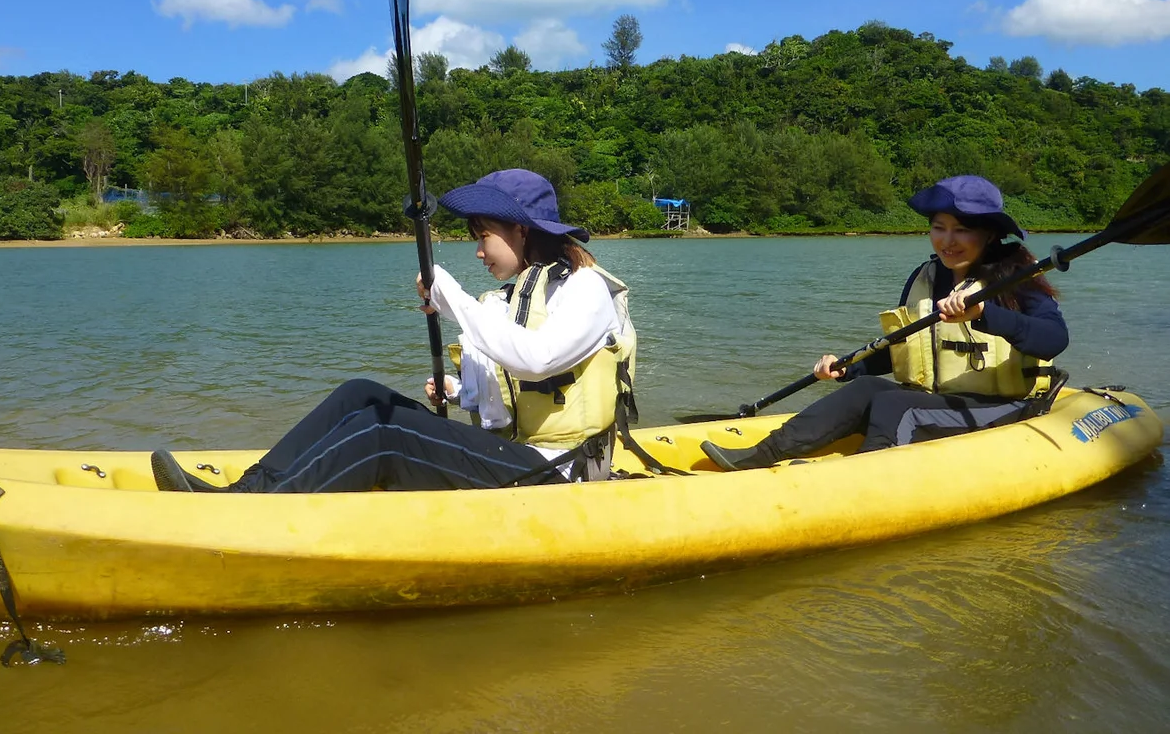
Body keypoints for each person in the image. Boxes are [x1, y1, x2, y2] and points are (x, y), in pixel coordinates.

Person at [151, 168, 636, 493]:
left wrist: (455, 302)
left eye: (483, 236)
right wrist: (458, 389)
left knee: (385, 432)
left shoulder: (586, 289)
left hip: (560, 473)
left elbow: (539, 359)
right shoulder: (513, 298)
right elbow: (516, 394)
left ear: (522, 230)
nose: (478, 251)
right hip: (518, 454)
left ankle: (255, 510)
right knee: (361, 394)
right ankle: (246, 491)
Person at [702, 175, 1068, 471]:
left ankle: (862, 477)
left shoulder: (1018, 280)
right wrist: (848, 368)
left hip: (1003, 406)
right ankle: (761, 455)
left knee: (897, 407)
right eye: (939, 227)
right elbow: (903, 349)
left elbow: (1053, 340)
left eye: (961, 230)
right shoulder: (925, 277)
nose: (948, 241)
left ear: (988, 234)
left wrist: (985, 314)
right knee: (866, 392)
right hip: (937, 401)